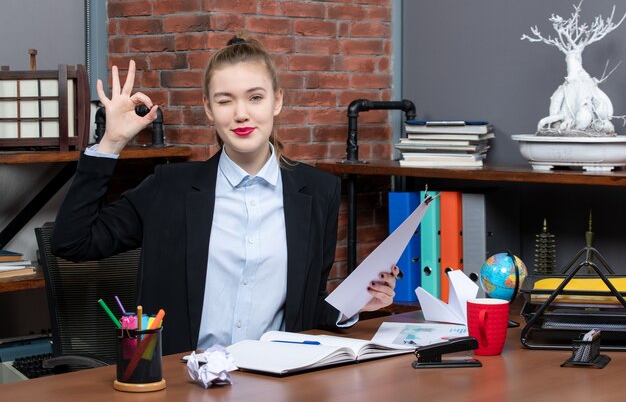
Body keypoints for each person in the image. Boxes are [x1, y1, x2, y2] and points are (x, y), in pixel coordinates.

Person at [52, 35, 399, 355]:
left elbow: (306, 306)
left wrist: (353, 305)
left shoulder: (318, 191)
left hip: (277, 379)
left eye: (256, 97)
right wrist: (110, 143)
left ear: (277, 101)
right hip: (182, 381)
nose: (241, 114)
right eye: (225, 100)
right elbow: (72, 242)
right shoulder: (168, 187)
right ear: (208, 108)